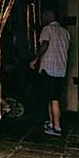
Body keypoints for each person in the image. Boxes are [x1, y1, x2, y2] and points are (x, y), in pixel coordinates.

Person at [29, 9, 71, 137]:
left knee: (53, 99)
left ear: (49, 16)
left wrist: (35, 60)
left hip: (49, 69)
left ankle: (57, 127)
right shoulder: (65, 32)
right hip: (61, 69)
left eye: (43, 16)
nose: (42, 19)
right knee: (52, 97)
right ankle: (51, 123)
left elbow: (45, 44)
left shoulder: (47, 29)